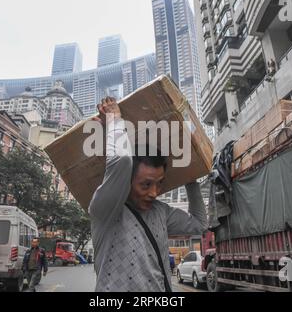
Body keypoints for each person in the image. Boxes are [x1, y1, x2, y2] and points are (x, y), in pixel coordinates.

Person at [89, 97, 208, 292]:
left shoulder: (161, 212)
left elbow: (200, 224)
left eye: (159, 184)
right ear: (126, 180)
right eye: (145, 185)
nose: (154, 193)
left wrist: (190, 176)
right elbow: (121, 162)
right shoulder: (106, 208)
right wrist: (114, 119)